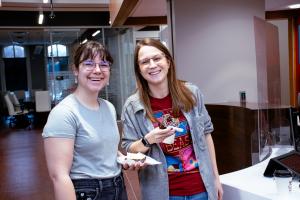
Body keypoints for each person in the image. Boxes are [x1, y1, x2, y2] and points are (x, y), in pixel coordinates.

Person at [121, 38, 223, 200]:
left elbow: (206, 134)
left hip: (201, 188)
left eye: (157, 58)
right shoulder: (132, 105)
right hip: (163, 193)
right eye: (145, 62)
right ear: (139, 69)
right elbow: (129, 149)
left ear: (168, 61)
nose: (152, 65)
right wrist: (148, 140)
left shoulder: (192, 93)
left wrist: (216, 178)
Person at [42, 41, 128, 200]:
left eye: (103, 64)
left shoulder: (109, 107)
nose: (97, 70)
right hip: (88, 192)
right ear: (75, 70)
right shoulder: (63, 113)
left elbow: (103, 148)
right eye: (89, 64)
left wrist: (123, 159)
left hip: (117, 185)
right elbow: (59, 177)